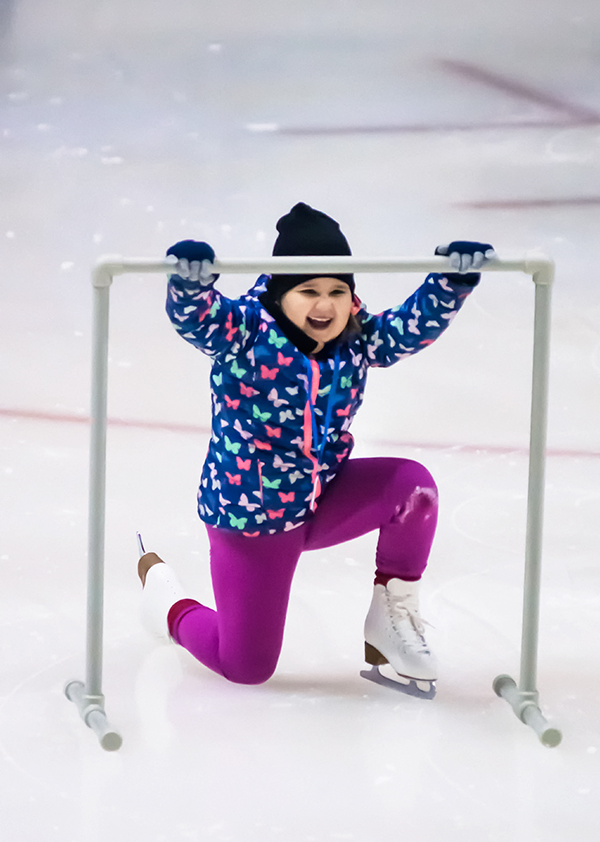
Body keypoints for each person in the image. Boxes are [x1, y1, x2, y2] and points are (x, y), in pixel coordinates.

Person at [138, 202, 494, 697]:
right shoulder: (244, 332)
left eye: (336, 291)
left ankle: (391, 619)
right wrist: (190, 287)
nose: (324, 306)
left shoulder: (356, 336)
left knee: (413, 490)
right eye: (308, 291)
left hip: (324, 496)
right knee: (246, 666)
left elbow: (407, 329)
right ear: (281, 293)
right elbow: (199, 319)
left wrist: (450, 284)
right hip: (254, 519)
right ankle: (169, 606)